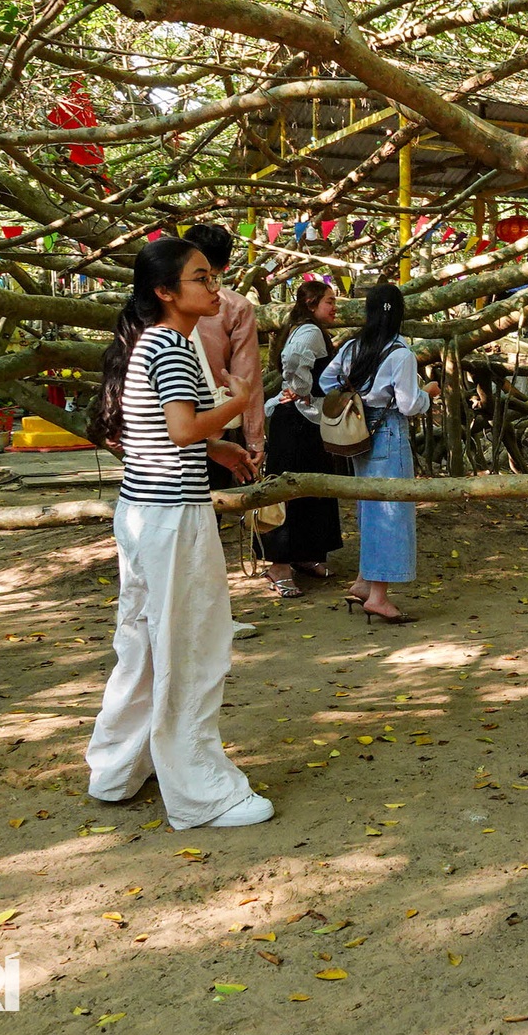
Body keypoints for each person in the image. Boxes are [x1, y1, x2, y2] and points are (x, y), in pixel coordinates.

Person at [82, 237, 274, 829]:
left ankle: (117, 769)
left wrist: (218, 447)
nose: (215, 289)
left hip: (145, 512)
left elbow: (165, 434)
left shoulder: (156, 342)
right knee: (189, 646)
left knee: (142, 642)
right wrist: (237, 405)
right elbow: (183, 427)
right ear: (165, 292)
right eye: (202, 280)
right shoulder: (168, 344)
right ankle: (201, 791)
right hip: (171, 518)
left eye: (214, 278)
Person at [317, 284, 440, 623]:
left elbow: (327, 382)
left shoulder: (353, 347)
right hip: (388, 432)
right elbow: (409, 404)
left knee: (369, 506)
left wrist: (355, 397)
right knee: (391, 509)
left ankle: (362, 582)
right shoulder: (401, 353)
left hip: (358, 434)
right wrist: (428, 393)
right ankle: (379, 597)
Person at [255, 280, 344, 596]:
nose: (334, 308)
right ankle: (278, 565)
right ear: (311, 304)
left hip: (307, 421)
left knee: (314, 487)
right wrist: (300, 389)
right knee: (288, 489)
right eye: (329, 302)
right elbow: (293, 359)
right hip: (295, 421)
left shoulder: (310, 330)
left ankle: (306, 554)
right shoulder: (309, 332)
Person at [182, 223, 263, 489]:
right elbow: (245, 377)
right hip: (215, 430)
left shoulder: (160, 300)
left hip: (159, 433)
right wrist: (254, 439)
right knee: (209, 512)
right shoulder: (234, 306)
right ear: (226, 264)